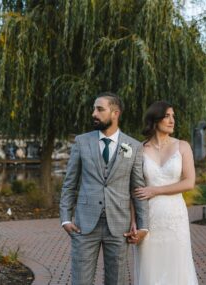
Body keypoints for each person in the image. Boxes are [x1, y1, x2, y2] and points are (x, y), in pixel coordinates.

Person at [59, 92, 149, 285]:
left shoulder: (133, 146)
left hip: (119, 225)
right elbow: (70, 183)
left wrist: (142, 225)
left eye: (100, 109)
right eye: (94, 108)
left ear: (115, 113)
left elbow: (137, 188)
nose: (94, 113)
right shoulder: (82, 142)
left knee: (117, 281)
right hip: (84, 224)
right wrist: (65, 218)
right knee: (80, 280)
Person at [132, 101, 199, 285]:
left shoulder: (182, 146)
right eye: (167, 116)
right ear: (155, 119)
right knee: (150, 268)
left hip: (175, 217)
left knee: (177, 266)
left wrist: (155, 190)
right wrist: (133, 222)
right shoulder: (139, 150)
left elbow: (189, 182)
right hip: (148, 217)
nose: (172, 120)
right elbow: (133, 190)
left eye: (173, 116)